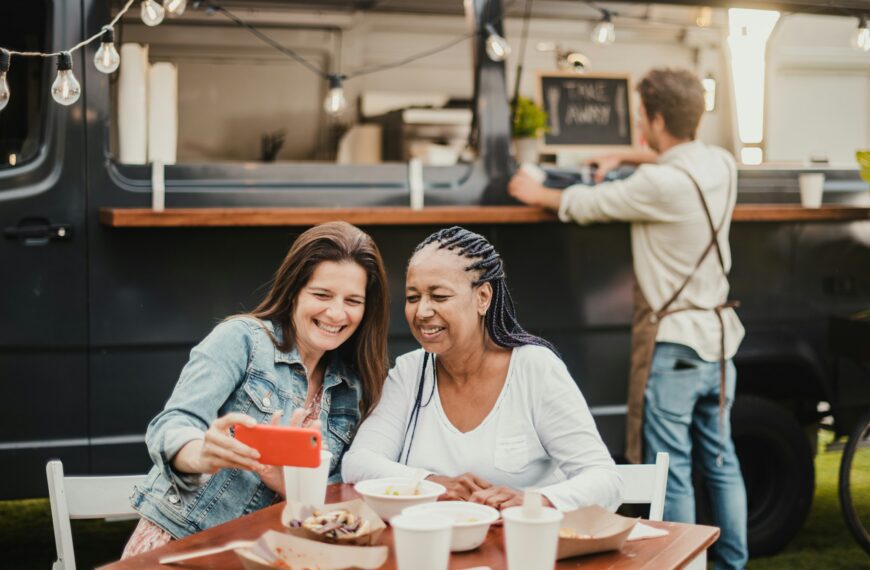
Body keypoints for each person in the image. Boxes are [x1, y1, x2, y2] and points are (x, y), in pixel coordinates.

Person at [508, 68, 747, 569]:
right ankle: (732, 564)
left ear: (656, 118)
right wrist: (626, 155)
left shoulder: (656, 184)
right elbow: (671, 157)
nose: (639, 124)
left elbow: (579, 203)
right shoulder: (722, 163)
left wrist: (530, 187)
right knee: (723, 463)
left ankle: (680, 564)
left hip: (676, 343)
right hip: (721, 343)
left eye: (641, 116)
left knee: (672, 469)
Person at [122, 221, 389, 557]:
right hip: (183, 545)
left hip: (266, 555)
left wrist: (292, 486)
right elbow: (171, 425)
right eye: (321, 295)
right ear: (294, 291)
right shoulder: (243, 339)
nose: (337, 313)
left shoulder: (353, 386)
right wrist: (201, 453)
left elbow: (330, 497)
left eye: (353, 300)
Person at [342, 226, 622, 512]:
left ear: (483, 297)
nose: (422, 311)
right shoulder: (410, 372)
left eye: (439, 297)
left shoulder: (534, 368)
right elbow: (358, 461)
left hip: (520, 548)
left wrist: (536, 501)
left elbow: (604, 479)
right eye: (413, 297)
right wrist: (431, 483)